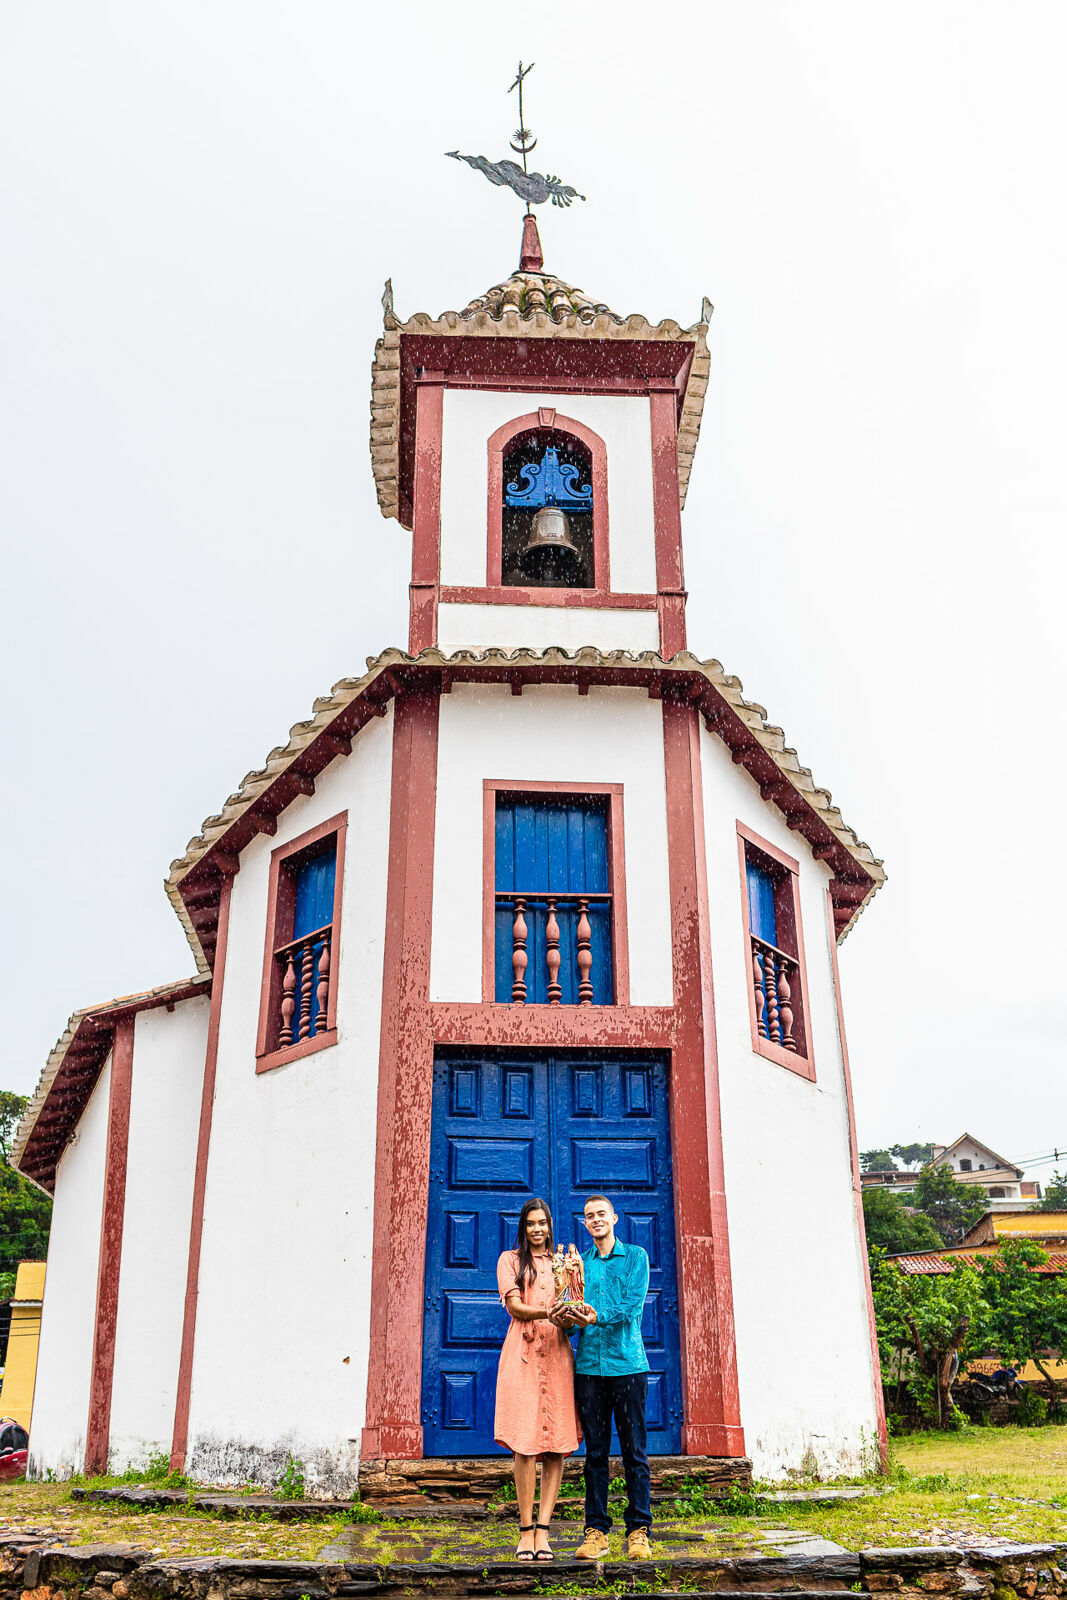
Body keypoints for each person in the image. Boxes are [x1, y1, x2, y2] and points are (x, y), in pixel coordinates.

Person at [552, 1193, 653, 1562]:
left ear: (615, 1218)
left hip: (628, 1367)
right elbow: (576, 1315)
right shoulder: (580, 1266)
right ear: (584, 1223)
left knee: (634, 1453)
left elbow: (631, 1307)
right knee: (595, 1454)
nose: (595, 1220)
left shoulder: (636, 1258)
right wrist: (565, 1320)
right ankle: (595, 1532)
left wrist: (595, 1316)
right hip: (589, 1371)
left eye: (601, 1214)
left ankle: (639, 1531)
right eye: (589, 1216)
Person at [495, 1196, 581, 1561]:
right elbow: (514, 1306)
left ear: (549, 1225)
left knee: (557, 1442)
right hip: (523, 1355)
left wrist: (571, 1317)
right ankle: (525, 1529)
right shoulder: (510, 1260)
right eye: (530, 1223)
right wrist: (548, 1311)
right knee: (525, 1444)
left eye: (542, 1223)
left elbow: (573, 1315)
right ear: (523, 1226)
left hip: (558, 1355)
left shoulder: (564, 1263)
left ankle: (544, 1530)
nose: (536, 1229)